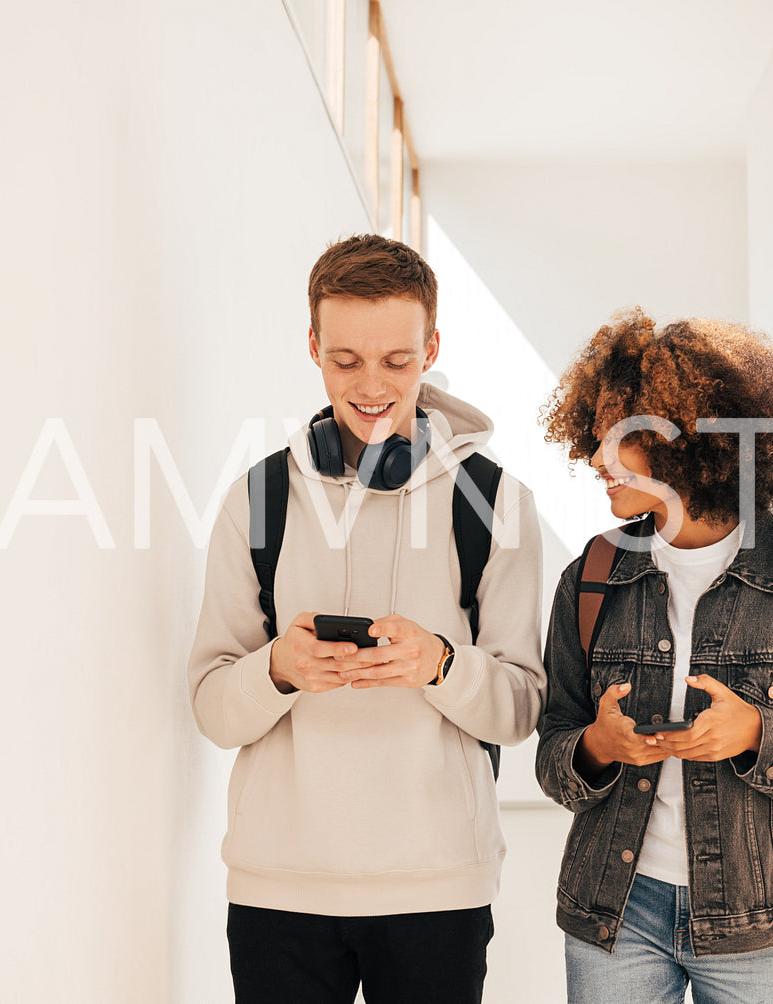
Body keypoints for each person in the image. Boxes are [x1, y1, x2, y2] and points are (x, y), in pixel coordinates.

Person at [188, 234, 545, 1003]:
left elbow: (522, 708)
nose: (371, 384)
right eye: (345, 360)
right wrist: (277, 670)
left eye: (397, 360)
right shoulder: (257, 499)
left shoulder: (496, 503)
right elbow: (213, 708)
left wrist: (441, 665)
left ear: (433, 347)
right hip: (278, 887)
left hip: (436, 887)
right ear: (313, 347)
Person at [536, 309, 773, 1004]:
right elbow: (554, 755)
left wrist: (758, 735)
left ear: (688, 442)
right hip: (614, 912)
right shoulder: (590, 578)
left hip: (763, 921)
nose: (594, 458)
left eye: (621, 438)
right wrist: (596, 748)